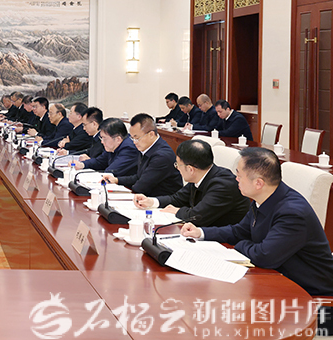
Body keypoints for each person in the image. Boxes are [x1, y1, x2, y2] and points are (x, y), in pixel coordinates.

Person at [181, 147, 333, 297]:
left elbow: (264, 256)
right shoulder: (264, 197)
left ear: (258, 183)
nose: (236, 179)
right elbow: (239, 231)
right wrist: (201, 232)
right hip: (277, 280)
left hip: (310, 294)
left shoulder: (293, 213)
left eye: (239, 175)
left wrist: (240, 245)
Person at [134, 139, 249, 226]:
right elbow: (177, 199)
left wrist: (178, 211)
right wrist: (151, 201)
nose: (177, 168)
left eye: (178, 165)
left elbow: (197, 216)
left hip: (225, 242)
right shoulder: (200, 176)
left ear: (190, 169)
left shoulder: (223, 185)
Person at [102, 114, 182, 197]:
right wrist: (116, 180)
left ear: (151, 134)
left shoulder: (162, 156)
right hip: (148, 198)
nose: (134, 142)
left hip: (162, 201)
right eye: (132, 138)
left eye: (137, 138)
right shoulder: (146, 147)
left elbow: (141, 187)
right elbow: (139, 177)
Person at [75, 118, 140, 177]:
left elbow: (111, 171)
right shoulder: (112, 146)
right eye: (101, 138)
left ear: (118, 139)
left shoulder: (129, 149)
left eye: (104, 138)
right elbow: (99, 162)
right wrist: (82, 164)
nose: (102, 142)